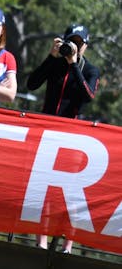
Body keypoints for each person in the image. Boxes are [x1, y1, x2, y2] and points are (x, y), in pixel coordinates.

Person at [27, 24, 99, 253]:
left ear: (86, 45)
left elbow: (88, 95)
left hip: (73, 135)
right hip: (47, 131)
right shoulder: (55, 63)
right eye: (71, 41)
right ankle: (41, 241)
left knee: (71, 192)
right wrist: (51, 56)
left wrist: (74, 65)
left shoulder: (89, 69)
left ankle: (68, 244)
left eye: (79, 43)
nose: (74, 46)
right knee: (44, 188)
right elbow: (32, 83)